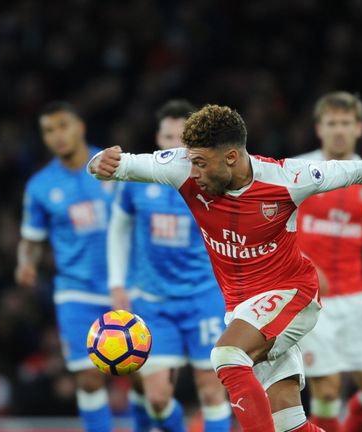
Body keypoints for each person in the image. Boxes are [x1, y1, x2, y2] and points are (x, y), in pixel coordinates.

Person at [88, 104, 362, 432]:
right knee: (287, 422)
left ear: (231, 157)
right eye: (192, 161)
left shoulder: (284, 179)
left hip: (291, 294)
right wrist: (100, 163)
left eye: (201, 162)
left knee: (226, 355)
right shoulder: (182, 167)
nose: (194, 170)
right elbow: (124, 164)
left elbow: (353, 170)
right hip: (243, 309)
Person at [107, 100, 231, 431]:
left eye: (181, 137)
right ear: (157, 139)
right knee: (158, 399)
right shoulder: (136, 182)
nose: (174, 144)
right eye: (167, 136)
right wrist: (117, 283)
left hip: (204, 298)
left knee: (212, 391)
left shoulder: (213, 182)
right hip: (153, 302)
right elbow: (118, 230)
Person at [294, 92, 362, 432]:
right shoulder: (298, 170)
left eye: (345, 123)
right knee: (327, 390)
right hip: (312, 300)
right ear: (319, 129)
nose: (339, 131)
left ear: (358, 128)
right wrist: (300, 263)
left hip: (356, 298)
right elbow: (274, 228)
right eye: (332, 124)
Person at [16, 101, 121, 432]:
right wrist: (25, 264)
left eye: (63, 126)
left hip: (126, 286)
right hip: (77, 291)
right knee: (89, 379)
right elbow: (31, 239)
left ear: (80, 127)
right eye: (49, 130)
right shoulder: (41, 186)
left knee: (149, 381)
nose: (57, 136)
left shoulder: (115, 166)